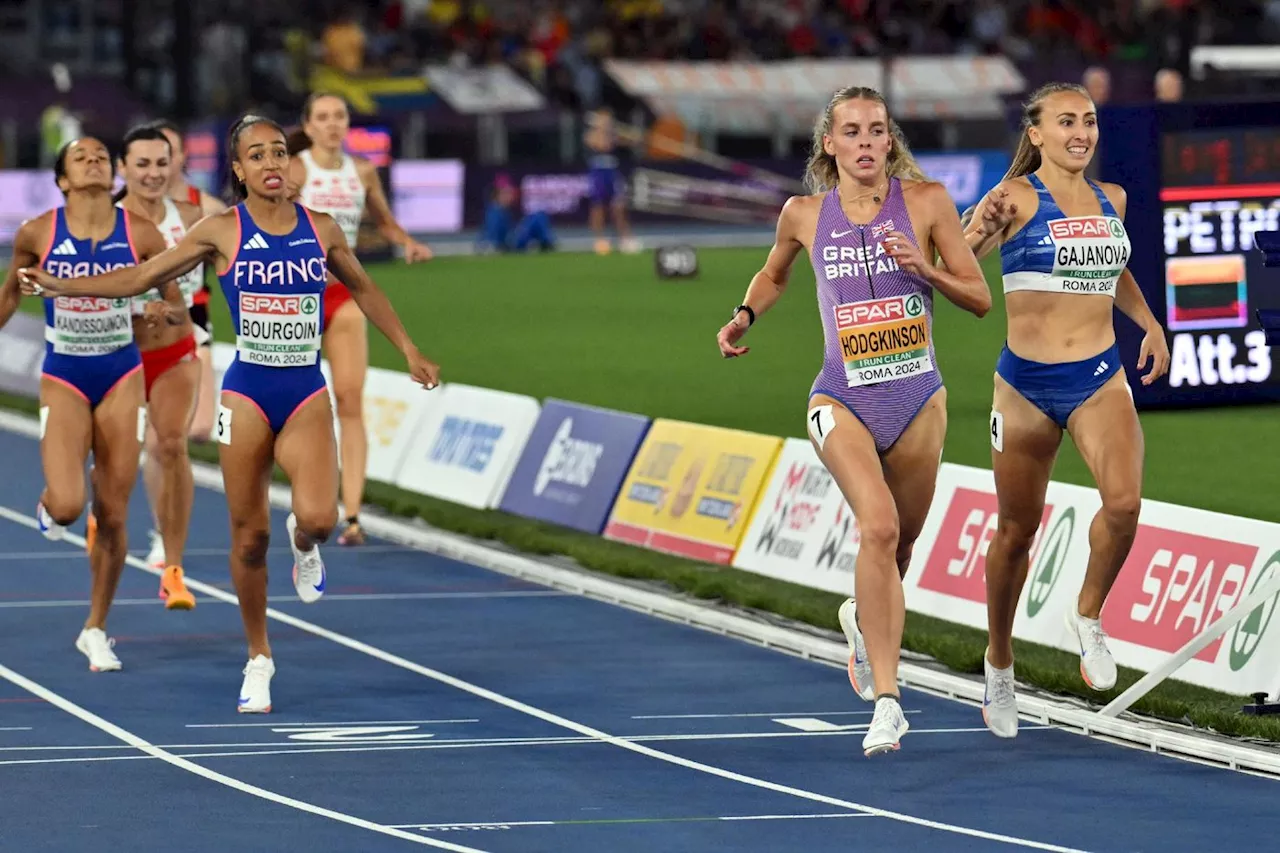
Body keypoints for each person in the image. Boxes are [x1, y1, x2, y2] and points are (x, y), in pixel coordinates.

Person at [19, 115, 441, 713]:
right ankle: (259, 658)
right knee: (248, 539)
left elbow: (365, 288)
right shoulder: (220, 230)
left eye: (279, 153)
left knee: (317, 517)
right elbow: (142, 276)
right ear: (240, 172)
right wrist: (63, 289)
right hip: (245, 391)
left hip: (302, 388)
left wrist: (409, 348)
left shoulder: (320, 229)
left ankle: (307, 542)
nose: (273, 163)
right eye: (258, 156)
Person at [716, 86, 990, 756]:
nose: (867, 143)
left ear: (889, 140)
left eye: (877, 130)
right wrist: (745, 314)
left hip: (920, 397)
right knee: (879, 524)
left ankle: (861, 617)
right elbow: (774, 273)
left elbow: (980, 296)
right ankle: (890, 702)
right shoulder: (804, 213)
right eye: (852, 132)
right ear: (829, 144)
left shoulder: (925, 203)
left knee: (898, 551)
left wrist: (921, 267)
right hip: (840, 395)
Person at [956, 82, 1170, 739]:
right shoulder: (1015, 196)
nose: (1081, 130)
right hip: (1023, 388)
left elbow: (1116, 268)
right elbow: (962, 261)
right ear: (1038, 133)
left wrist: (1148, 323)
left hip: (1099, 377)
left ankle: (1088, 613)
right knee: (1016, 531)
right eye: (1067, 120)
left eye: (1090, 120)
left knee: (1125, 503)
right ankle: (998, 659)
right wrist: (977, 226)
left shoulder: (1115, 200)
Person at [0, 136, 185, 672]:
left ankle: (96, 627)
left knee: (113, 511)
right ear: (62, 179)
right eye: (80, 157)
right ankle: (49, 505)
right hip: (65, 374)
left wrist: (160, 316)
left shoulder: (142, 233)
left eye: (102, 155)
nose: (94, 159)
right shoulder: (38, 232)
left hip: (121, 372)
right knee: (67, 506)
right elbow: (11, 292)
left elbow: (176, 308)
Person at [285, 92, 433, 547]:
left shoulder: (361, 171)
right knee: (300, 406)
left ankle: (352, 516)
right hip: (298, 298)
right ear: (307, 126)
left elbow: (384, 222)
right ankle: (306, 500)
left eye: (339, 116)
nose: (332, 124)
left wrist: (407, 241)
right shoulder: (296, 169)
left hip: (344, 294)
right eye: (323, 117)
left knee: (350, 400)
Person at [113, 123, 202, 608]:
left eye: (160, 163)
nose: (152, 173)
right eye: (141, 164)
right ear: (122, 168)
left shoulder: (195, 216)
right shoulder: (105, 221)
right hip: (115, 354)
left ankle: (173, 566)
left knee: (171, 445)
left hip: (175, 351)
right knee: (115, 461)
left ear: (175, 165)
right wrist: (133, 309)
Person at [151, 119, 226, 455]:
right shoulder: (124, 210)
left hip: (193, 313)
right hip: (139, 317)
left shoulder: (207, 210)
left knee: (199, 426)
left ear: (183, 157)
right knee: (153, 434)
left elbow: (235, 265)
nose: (163, 161)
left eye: (171, 152)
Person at [584, 108, 640, 255]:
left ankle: (625, 239)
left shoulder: (614, 134)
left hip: (612, 173)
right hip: (598, 174)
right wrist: (604, 130)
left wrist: (623, 132)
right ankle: (600, 240)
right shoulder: (591, 134)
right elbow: (601, 145)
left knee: (618, 207)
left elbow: (635, 139)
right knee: (598, 208)